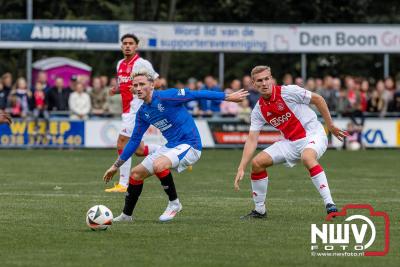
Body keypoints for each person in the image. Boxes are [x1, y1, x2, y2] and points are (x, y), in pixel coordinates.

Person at [103, 69, 248, 222]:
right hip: (171, 146)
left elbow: (195, 94)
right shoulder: (142, 112)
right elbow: (134, 141)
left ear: (152, 85)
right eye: (135, 85)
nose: (138, 88)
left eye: (142, 84)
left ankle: (174, 204)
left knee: (159, 165)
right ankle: (126, 215)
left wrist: (227, 97)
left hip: (191, 145)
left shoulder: (167, 96)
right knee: (136, 174)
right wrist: (116, 166)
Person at [234, 66, 348, 219]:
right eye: (259, 81)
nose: (264, 83)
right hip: (290, 143)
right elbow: (252, 139)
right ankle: (259, 211)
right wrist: (242, 167)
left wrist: (330, 125)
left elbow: (318, 99)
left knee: (307, 158)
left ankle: (330, 204)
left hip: (313, 134)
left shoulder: (288, 91)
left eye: (267, 79)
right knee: (257, 163)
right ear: (254, 84)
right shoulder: (258, 110)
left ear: (272, 79)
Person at [105, 33, 161, 193]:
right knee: (138, 150)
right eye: (125, 43)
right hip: (126, 110)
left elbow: (156, 82)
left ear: (136, 46)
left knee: (122, 142)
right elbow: (123, 86)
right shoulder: (120, 64)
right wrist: (115, 90)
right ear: (121, 46)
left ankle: (123, 184)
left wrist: (139, 90)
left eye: (131, 43)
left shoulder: (142, 63)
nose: (128, 46)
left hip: (137, 109)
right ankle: (171, 150)